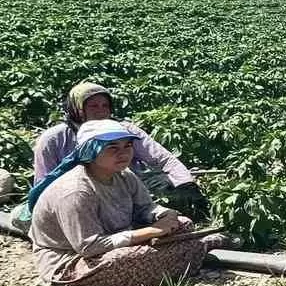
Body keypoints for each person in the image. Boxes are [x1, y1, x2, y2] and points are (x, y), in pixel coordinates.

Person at [26, 119, 224, 286]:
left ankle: (172, 259)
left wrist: (163, 215)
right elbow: (89, 247)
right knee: (123, 261)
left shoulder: (123, 174)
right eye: (112, 148)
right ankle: (200, 247)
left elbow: (145, 208)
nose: (123, 153)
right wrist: (152, 231)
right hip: (72, 260)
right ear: (90, 151)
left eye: (128, 146)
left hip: (117, 237)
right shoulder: (76, 191)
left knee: (184, 224)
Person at [31, 81, 207, 217]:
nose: (101, 111)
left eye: (105, 106)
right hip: (78, 195)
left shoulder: (124, 130)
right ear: (77, 109)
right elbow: (44, 184)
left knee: (170, 194)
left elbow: (163, 158)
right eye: (93, 106)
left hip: (130, 188)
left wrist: (186, 184)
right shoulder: (53, 139)